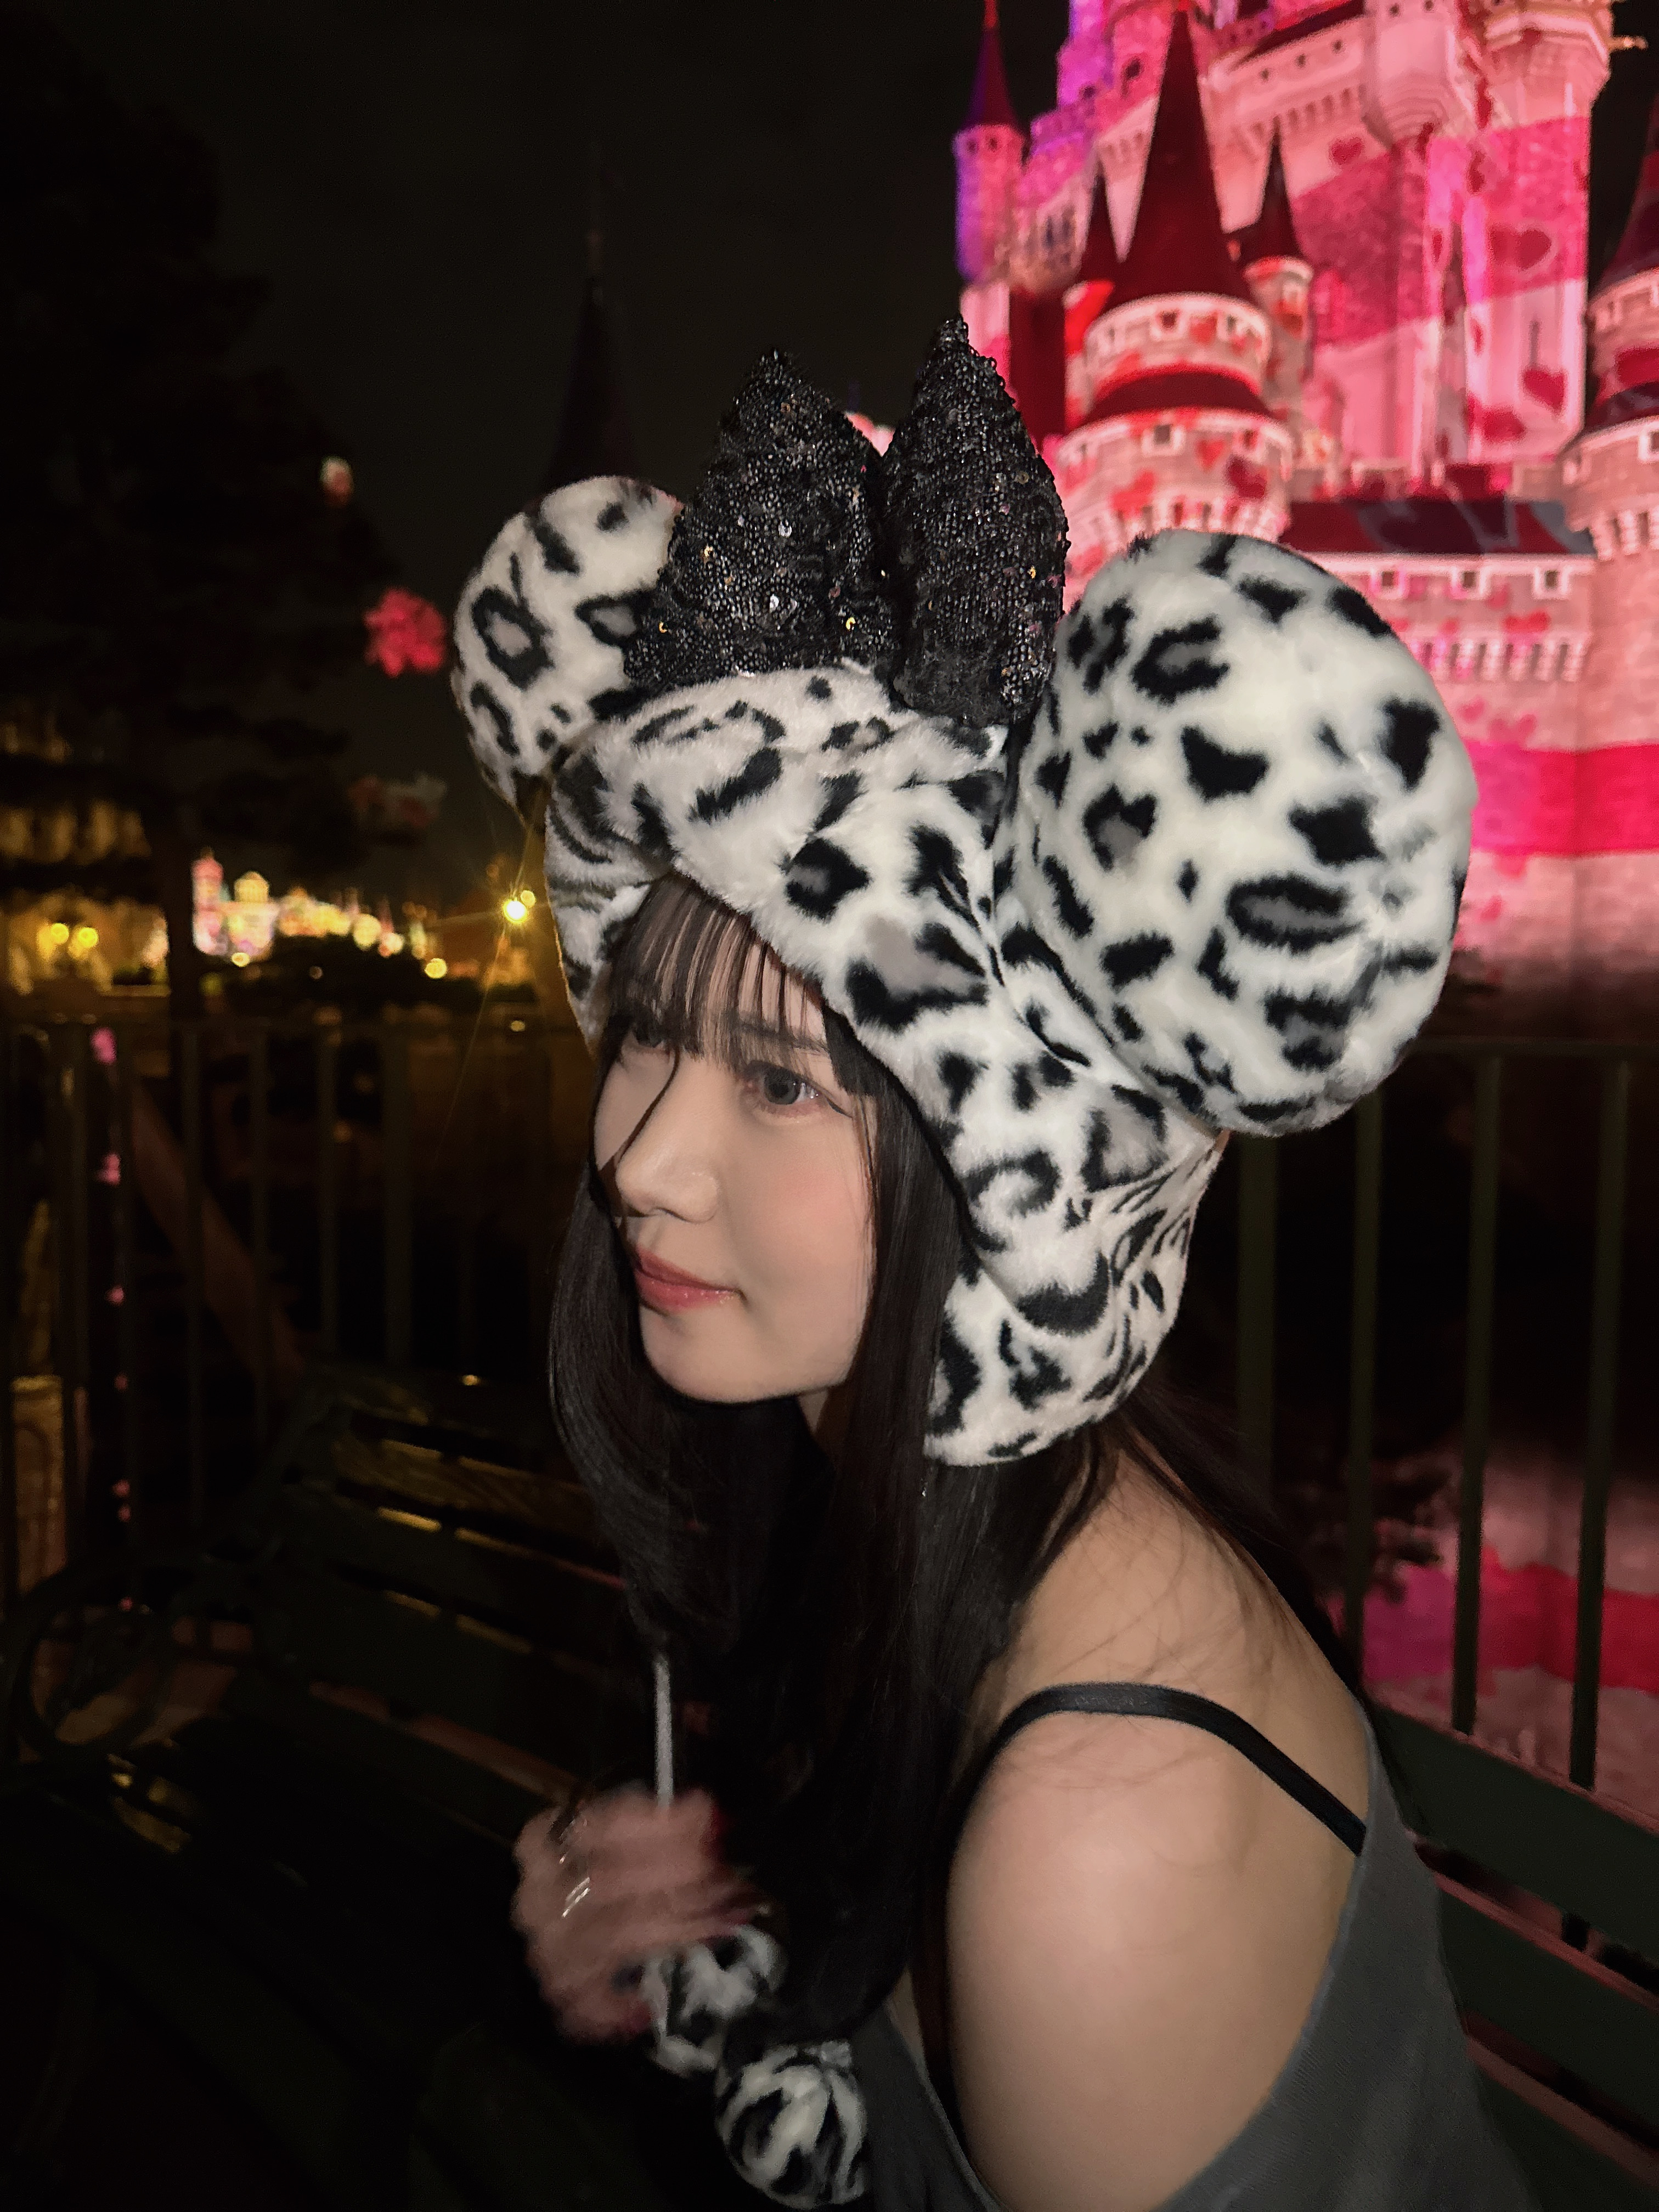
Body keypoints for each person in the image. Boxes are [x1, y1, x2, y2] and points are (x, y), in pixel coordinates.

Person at [455, 324, 1534, 2211]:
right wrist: (721, 1958)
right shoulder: (926, 1526)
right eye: (649, 1032)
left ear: (1023, 1189)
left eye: (780, 1081)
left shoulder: (1097, 1841)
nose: (636, 1155)